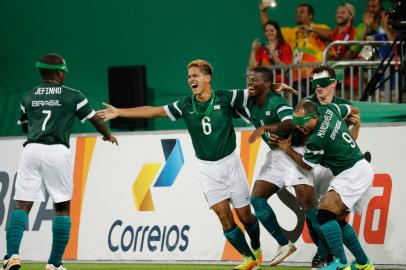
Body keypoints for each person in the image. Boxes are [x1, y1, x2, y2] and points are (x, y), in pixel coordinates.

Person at [97, 59, 261, 270]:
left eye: (195, 75)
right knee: (224, 218)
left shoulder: (226, 97)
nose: (191, 79)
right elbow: (153, 111)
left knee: (245, 217)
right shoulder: (184, 105)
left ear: (207, 77)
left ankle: (256, 247)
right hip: (207, 170)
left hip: (231, 165)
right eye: (189, 77)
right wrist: (120, 112)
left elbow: (257, 91)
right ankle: (249, 259)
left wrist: (276, 87)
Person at [2, 53, 118, 270]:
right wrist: (107, 135)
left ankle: (12, 256)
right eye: (64, 71)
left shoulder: (28, 96)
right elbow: (95, 119)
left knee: (21, 205)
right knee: (62, 208)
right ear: (60, 72)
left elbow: (24, 126)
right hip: (57, 151)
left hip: (32, 149)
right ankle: (54, 264)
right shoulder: (73, 96)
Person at [237, 66, 325, 266]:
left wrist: (266, 127)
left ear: (266, 84)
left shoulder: (277, 101)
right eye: (249, 79)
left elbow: (292, 123)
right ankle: (284, 244)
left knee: (308, 206)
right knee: (257, 199)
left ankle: (328, 250)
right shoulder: (249, 103)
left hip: (294, 153)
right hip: (276, 155)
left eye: (254, 80)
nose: (250, 83)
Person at [277, 100, 375, 270]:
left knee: (324, 214)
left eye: (303, 122)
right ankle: (363, 263)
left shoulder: (316, 139)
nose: (300, 127)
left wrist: (287, 149)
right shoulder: (330, 109)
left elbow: (307, 165)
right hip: (355, 169)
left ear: (315, 116)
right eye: (297, 123)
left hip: (352, 172)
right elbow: (352, 109)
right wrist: (353, 118)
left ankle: (341, 264)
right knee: (337, 219)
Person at [259, 1, 329, 95]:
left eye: (302, 12)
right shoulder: (290, 32)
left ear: (310, 15)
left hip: (317, 75)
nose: (298, 14)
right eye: (296, 12)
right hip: (297, 78)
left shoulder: (320, 28)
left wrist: (311, 29)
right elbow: (269, 27)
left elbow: (331, 35)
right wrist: (263, 11)